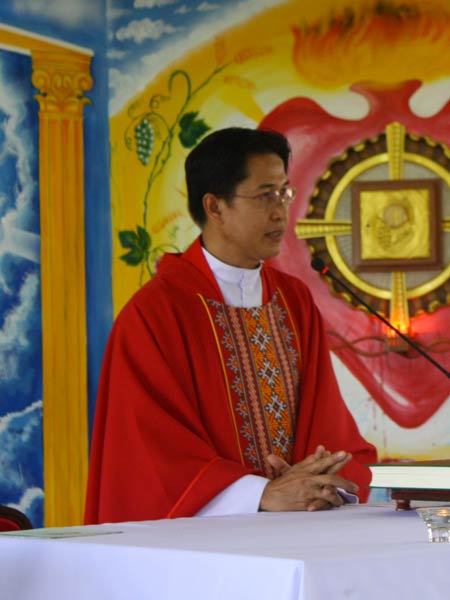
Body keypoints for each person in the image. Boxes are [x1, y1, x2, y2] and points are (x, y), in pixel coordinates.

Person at [85, 127, 377, 524]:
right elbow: (148, 453)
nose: (280, 211)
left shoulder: (293, 300)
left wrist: (316, 480)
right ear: (215, 206)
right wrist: (261, 494)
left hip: (299, 528)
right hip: (202, 539)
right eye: (265, 195)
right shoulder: (155, 313)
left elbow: (326, 422)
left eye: (284, 193)